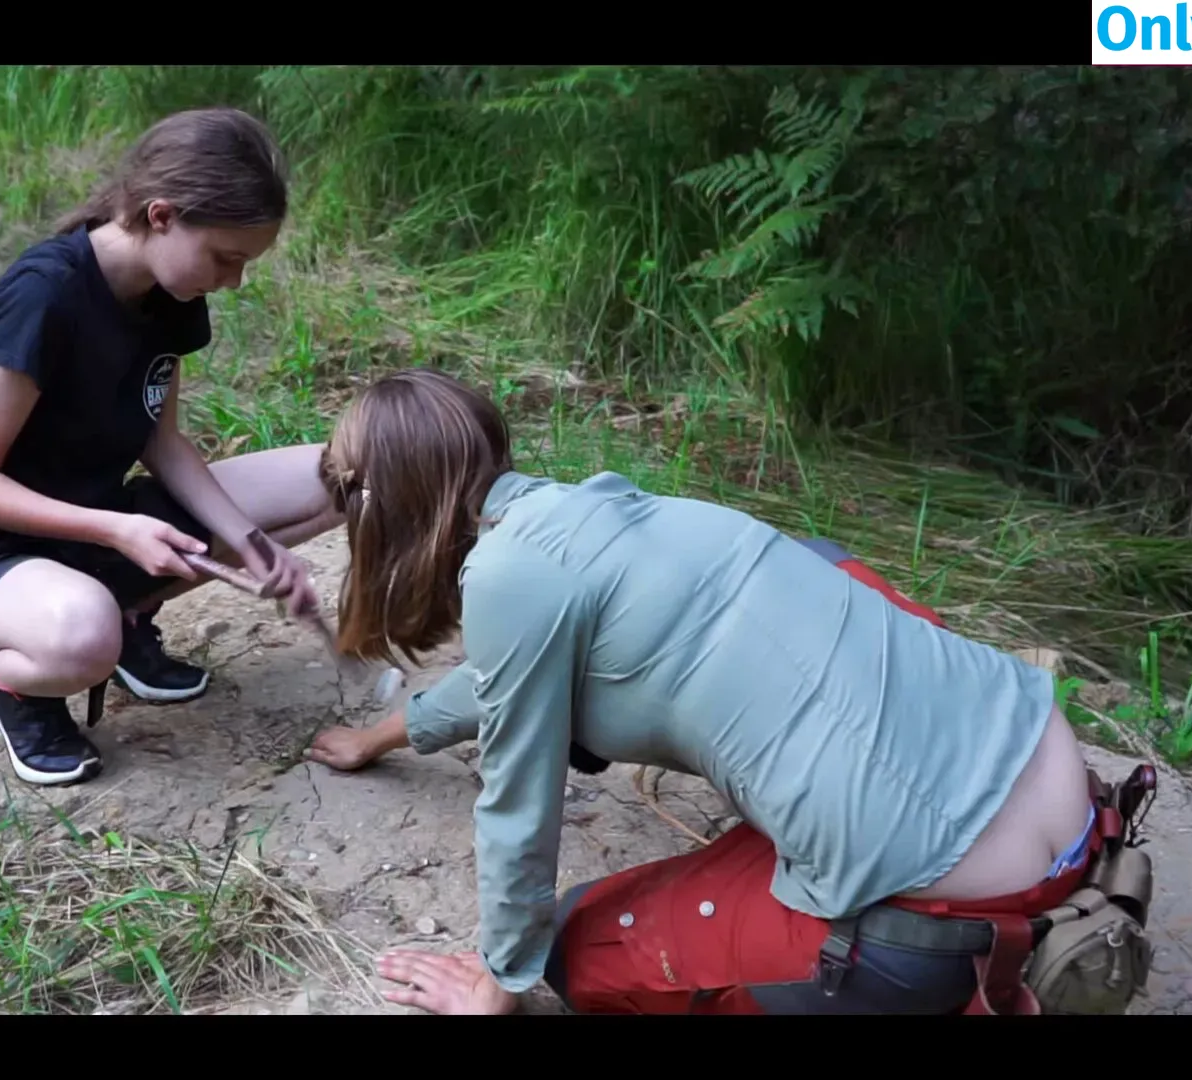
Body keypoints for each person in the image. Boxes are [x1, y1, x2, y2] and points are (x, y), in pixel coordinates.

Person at [304, 367, 1138, 1016]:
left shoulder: (507, 578)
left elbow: (519, 809)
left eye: (346, 492)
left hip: (942, 908)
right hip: (1062, 787)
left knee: (578, 947)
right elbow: (508, 683)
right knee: (819, 560)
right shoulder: (608, 510)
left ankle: (930, 982)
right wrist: (387, 734)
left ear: (386, 507)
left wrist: (498, 979)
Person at [0, 107, 342, 788]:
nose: (233, 282)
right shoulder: (45, 297)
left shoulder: (169, 291)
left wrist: (253, 541)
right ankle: (12, 685)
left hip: (111, 529)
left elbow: (161, 438)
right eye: (225, 258)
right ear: (160, 215)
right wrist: (117, 529)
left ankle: (128, 613)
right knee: (87, 637)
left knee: (334, 477)